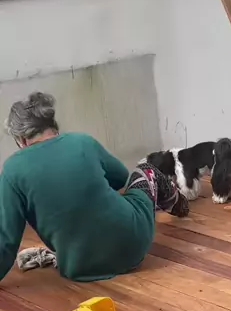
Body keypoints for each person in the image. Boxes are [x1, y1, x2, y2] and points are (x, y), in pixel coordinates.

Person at [0, 92, 188, 283]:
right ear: (52, 124)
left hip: (77, 266)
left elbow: (6, 241)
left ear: (21, 139)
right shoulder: (82, 141)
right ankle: (176, 201)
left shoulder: (12, 170)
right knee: (146, 170)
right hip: (132, 247)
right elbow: (122, 178)